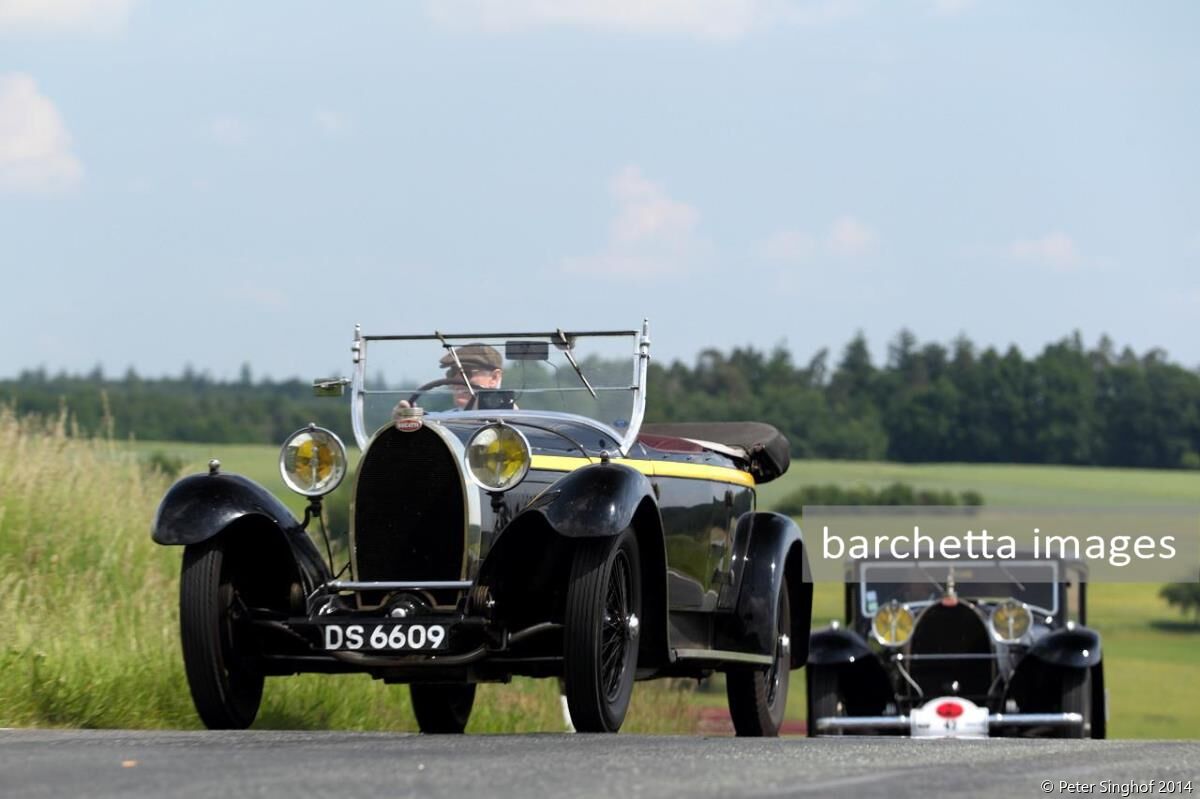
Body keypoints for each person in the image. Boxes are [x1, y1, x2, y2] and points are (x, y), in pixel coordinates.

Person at [439, 343, 504, 409]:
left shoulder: (511, 417)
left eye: (466, 373)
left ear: (494, 378)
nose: (456, 380)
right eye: (452, 373)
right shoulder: (441, 418)